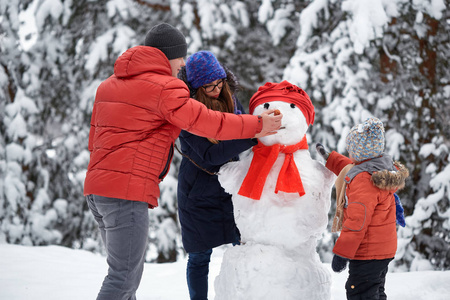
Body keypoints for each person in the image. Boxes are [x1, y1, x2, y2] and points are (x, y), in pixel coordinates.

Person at [83, 23, 282, 300]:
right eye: (181, 58)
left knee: (124, 275)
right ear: (169, 56)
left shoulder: (108, 86)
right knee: (123, 279)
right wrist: (257, 126)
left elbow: (94, 140)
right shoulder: (165, 87)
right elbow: (206, 122)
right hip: (125, 194)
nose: (183, 65)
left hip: (97, 192)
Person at [176, 51, 257, 300]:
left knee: (242, 249)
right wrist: (252, 133)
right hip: (197, 194)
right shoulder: (186, 111)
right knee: (200, 257)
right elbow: (211, 155)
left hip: (229, 191)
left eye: (219, 82)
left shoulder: (231, 100)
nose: (215, 89)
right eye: (209, 85)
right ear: (197, 87)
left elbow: (242, 125)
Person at [315, 117, 409, 300]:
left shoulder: (364, 182)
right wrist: (331, 159)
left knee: (360, 293)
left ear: (359, 152)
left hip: (367, 253)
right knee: (375, 292)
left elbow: (357, 222)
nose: (350, 152)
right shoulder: (380, 166)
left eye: (352, 149)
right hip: (382, 251)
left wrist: (342, 253)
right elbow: (351, 166)